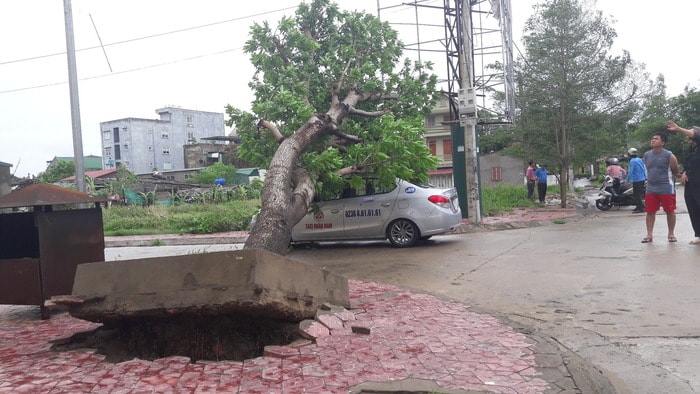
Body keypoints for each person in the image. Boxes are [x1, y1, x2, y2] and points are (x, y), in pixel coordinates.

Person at [641, 132, 679, 243]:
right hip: (651, 188)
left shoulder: (669, 155)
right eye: (652, 139)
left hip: (666, 187)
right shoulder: (647, 155)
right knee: (650, 212)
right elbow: (649, 169)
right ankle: (649, 234)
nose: (653, 140)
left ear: (662, 142)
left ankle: (671, 234)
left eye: (656, 139)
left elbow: (675, 170)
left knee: (670, 211)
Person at [666, 121, 700, 244]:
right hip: (691, 184)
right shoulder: (691, 150)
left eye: (691, 133)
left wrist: (678, 128)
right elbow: (689, 164)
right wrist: (685, 172)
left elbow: (694, 133)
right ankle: (699, 234)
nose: (688, 136)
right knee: (693, 208)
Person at [625, 148, 647, 213]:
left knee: (637, 195)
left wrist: (627, 180)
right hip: (642, 179)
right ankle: (639, 206)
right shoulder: (639, 160)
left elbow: (630, 171)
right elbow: (643, 168)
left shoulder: (632, 161)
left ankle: (640, 208)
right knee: (640, 194)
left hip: (637, 180)